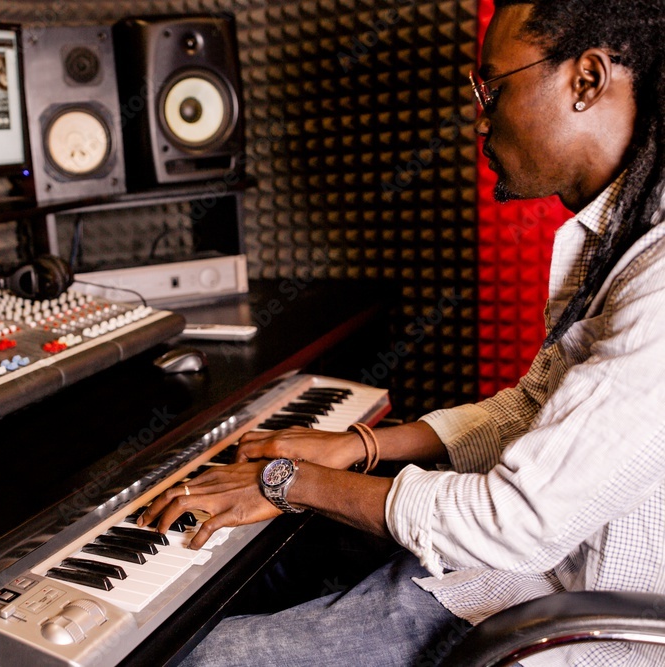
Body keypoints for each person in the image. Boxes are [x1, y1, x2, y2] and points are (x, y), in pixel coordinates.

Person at [138, 1, 665, 664]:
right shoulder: (625, 235)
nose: (482, 116)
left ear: (585, 81)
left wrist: (287, 480)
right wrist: (358, 446)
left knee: (209, 657)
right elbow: (535, 406)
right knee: (280, 560)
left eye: (492, 87)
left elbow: (513, 520)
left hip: (572, 620)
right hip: (532, 577)